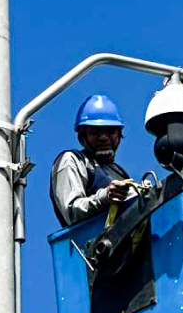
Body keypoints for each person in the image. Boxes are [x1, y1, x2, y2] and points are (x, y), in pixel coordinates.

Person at [49, 94, 134, 227]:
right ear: (82, 138)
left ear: (119, 135)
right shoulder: (73, 160)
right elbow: (72, 212)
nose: (104, 138)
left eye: (110, 131)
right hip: (92, 244)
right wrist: (105, 197)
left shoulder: (119, 173)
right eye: (95, 132)